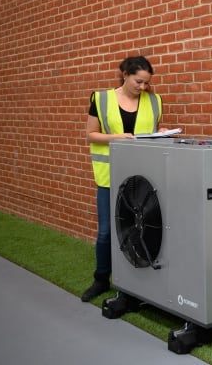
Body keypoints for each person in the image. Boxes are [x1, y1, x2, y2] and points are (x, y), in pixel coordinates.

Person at [82, 56, 166, 302]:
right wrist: (118, 137)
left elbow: (153, 131)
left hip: (143, 179)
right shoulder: (101, 99)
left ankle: (135, 280)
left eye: (146, 83)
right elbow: (90, 135)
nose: (143, 88)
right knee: (107, 231)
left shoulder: (154, 100)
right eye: (138, 82)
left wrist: (160, 133)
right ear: (124, 74)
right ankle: (100, 278)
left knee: (139, 228)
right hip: (110, 178)